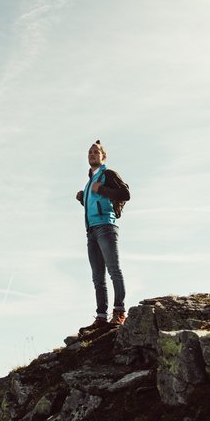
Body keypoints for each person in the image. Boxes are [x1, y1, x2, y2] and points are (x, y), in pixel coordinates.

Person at [76, 140, 130, 333]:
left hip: (106, 226)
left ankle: (119, 311)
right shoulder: (90, 181)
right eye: (90, 152)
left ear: (103, 156)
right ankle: (101, 317)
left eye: (96, 152)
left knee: (113, 270)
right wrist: (83, 198)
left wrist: (102, 189)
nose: (92, 154)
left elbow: (125, 194)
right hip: (91, 230)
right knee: (97, 277)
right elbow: (97, 203)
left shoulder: (107, 175)